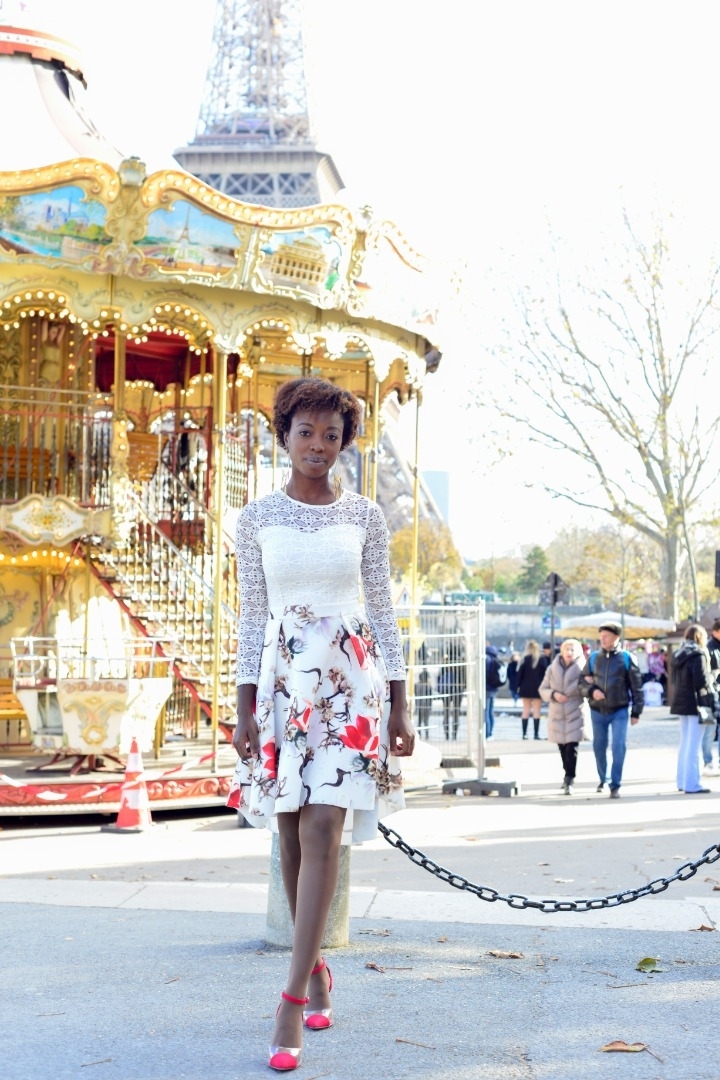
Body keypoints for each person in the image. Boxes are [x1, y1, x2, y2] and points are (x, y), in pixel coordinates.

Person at [227, 376, 414, 1073]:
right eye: (305, 432)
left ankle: (289, 1001)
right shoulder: (255, 519)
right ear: (284, 435)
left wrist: (400, 702)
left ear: (344, 443)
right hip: (281, 685)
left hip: (350, 685)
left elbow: (383, 610)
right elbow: (251, 617)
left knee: (323, 828)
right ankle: (317, 972)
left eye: (331, 435)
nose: (317, 445)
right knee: (290, 836)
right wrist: (243, 707)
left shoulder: (365, 516)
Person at [579, 620, 643, 798]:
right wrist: (592, 691)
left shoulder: (627, 658)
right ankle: (603, 779)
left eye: (606, 636)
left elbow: (637, 687)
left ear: (616, 637)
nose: (603, 639)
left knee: (618, 746)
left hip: (619, 710)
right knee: (599, 746)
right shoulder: (593, 658)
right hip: (597, 710)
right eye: (601, 636)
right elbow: (581, 682)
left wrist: (636, 711)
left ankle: (615, 784)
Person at [671, 624, 717, 794]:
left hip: (681, 702)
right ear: (700, 637)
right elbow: (701, 681)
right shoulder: (699, 654)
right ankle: (692, 784)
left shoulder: (678, 654)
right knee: (694, 745)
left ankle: (682, 781)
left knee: (685, 744)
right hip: (697, 703)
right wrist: (713, 675)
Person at [539, 638, 589, 794]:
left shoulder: (583, 668)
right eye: (567, 649)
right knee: (562, 747)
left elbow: (588, 689)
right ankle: (567, 774)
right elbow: (543, 689)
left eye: (573, 650)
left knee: (572, 748)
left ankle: (569, 778)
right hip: (557, 713)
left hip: (575, 712)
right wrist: (554, 694)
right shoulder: (552, 668)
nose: (569, 652)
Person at [517, 639, 549, 739]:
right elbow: (546, 673)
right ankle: (536, 734)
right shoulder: (541, 659)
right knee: (536, 711)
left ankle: (524, 734)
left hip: (525, 687)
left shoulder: (524, 659)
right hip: (537, 688)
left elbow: (519, 675)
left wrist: (517, 687)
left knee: (526, 710)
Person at [702, 619, 720, 775]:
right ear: (715, 632)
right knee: (710, 729)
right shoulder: (708, 648)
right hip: (712, 693)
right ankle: (707, 762)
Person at [484, 643, 507, 739]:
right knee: (490, 711)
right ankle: (490, 733)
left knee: (485, 712)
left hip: (486, 688)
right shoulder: (496, 658)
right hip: (494, 688)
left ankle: (487, 734)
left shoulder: (486, 659)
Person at [414, 667, 433, 739]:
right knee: (426, 721)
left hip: (419, 706)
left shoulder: (416, 685)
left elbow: (416, 695)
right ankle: (427, 735)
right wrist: (430, 707)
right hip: (426, 706)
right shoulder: (428, 686)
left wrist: (416, 706)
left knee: (419, 721)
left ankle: (419, 735)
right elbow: (430, 698)